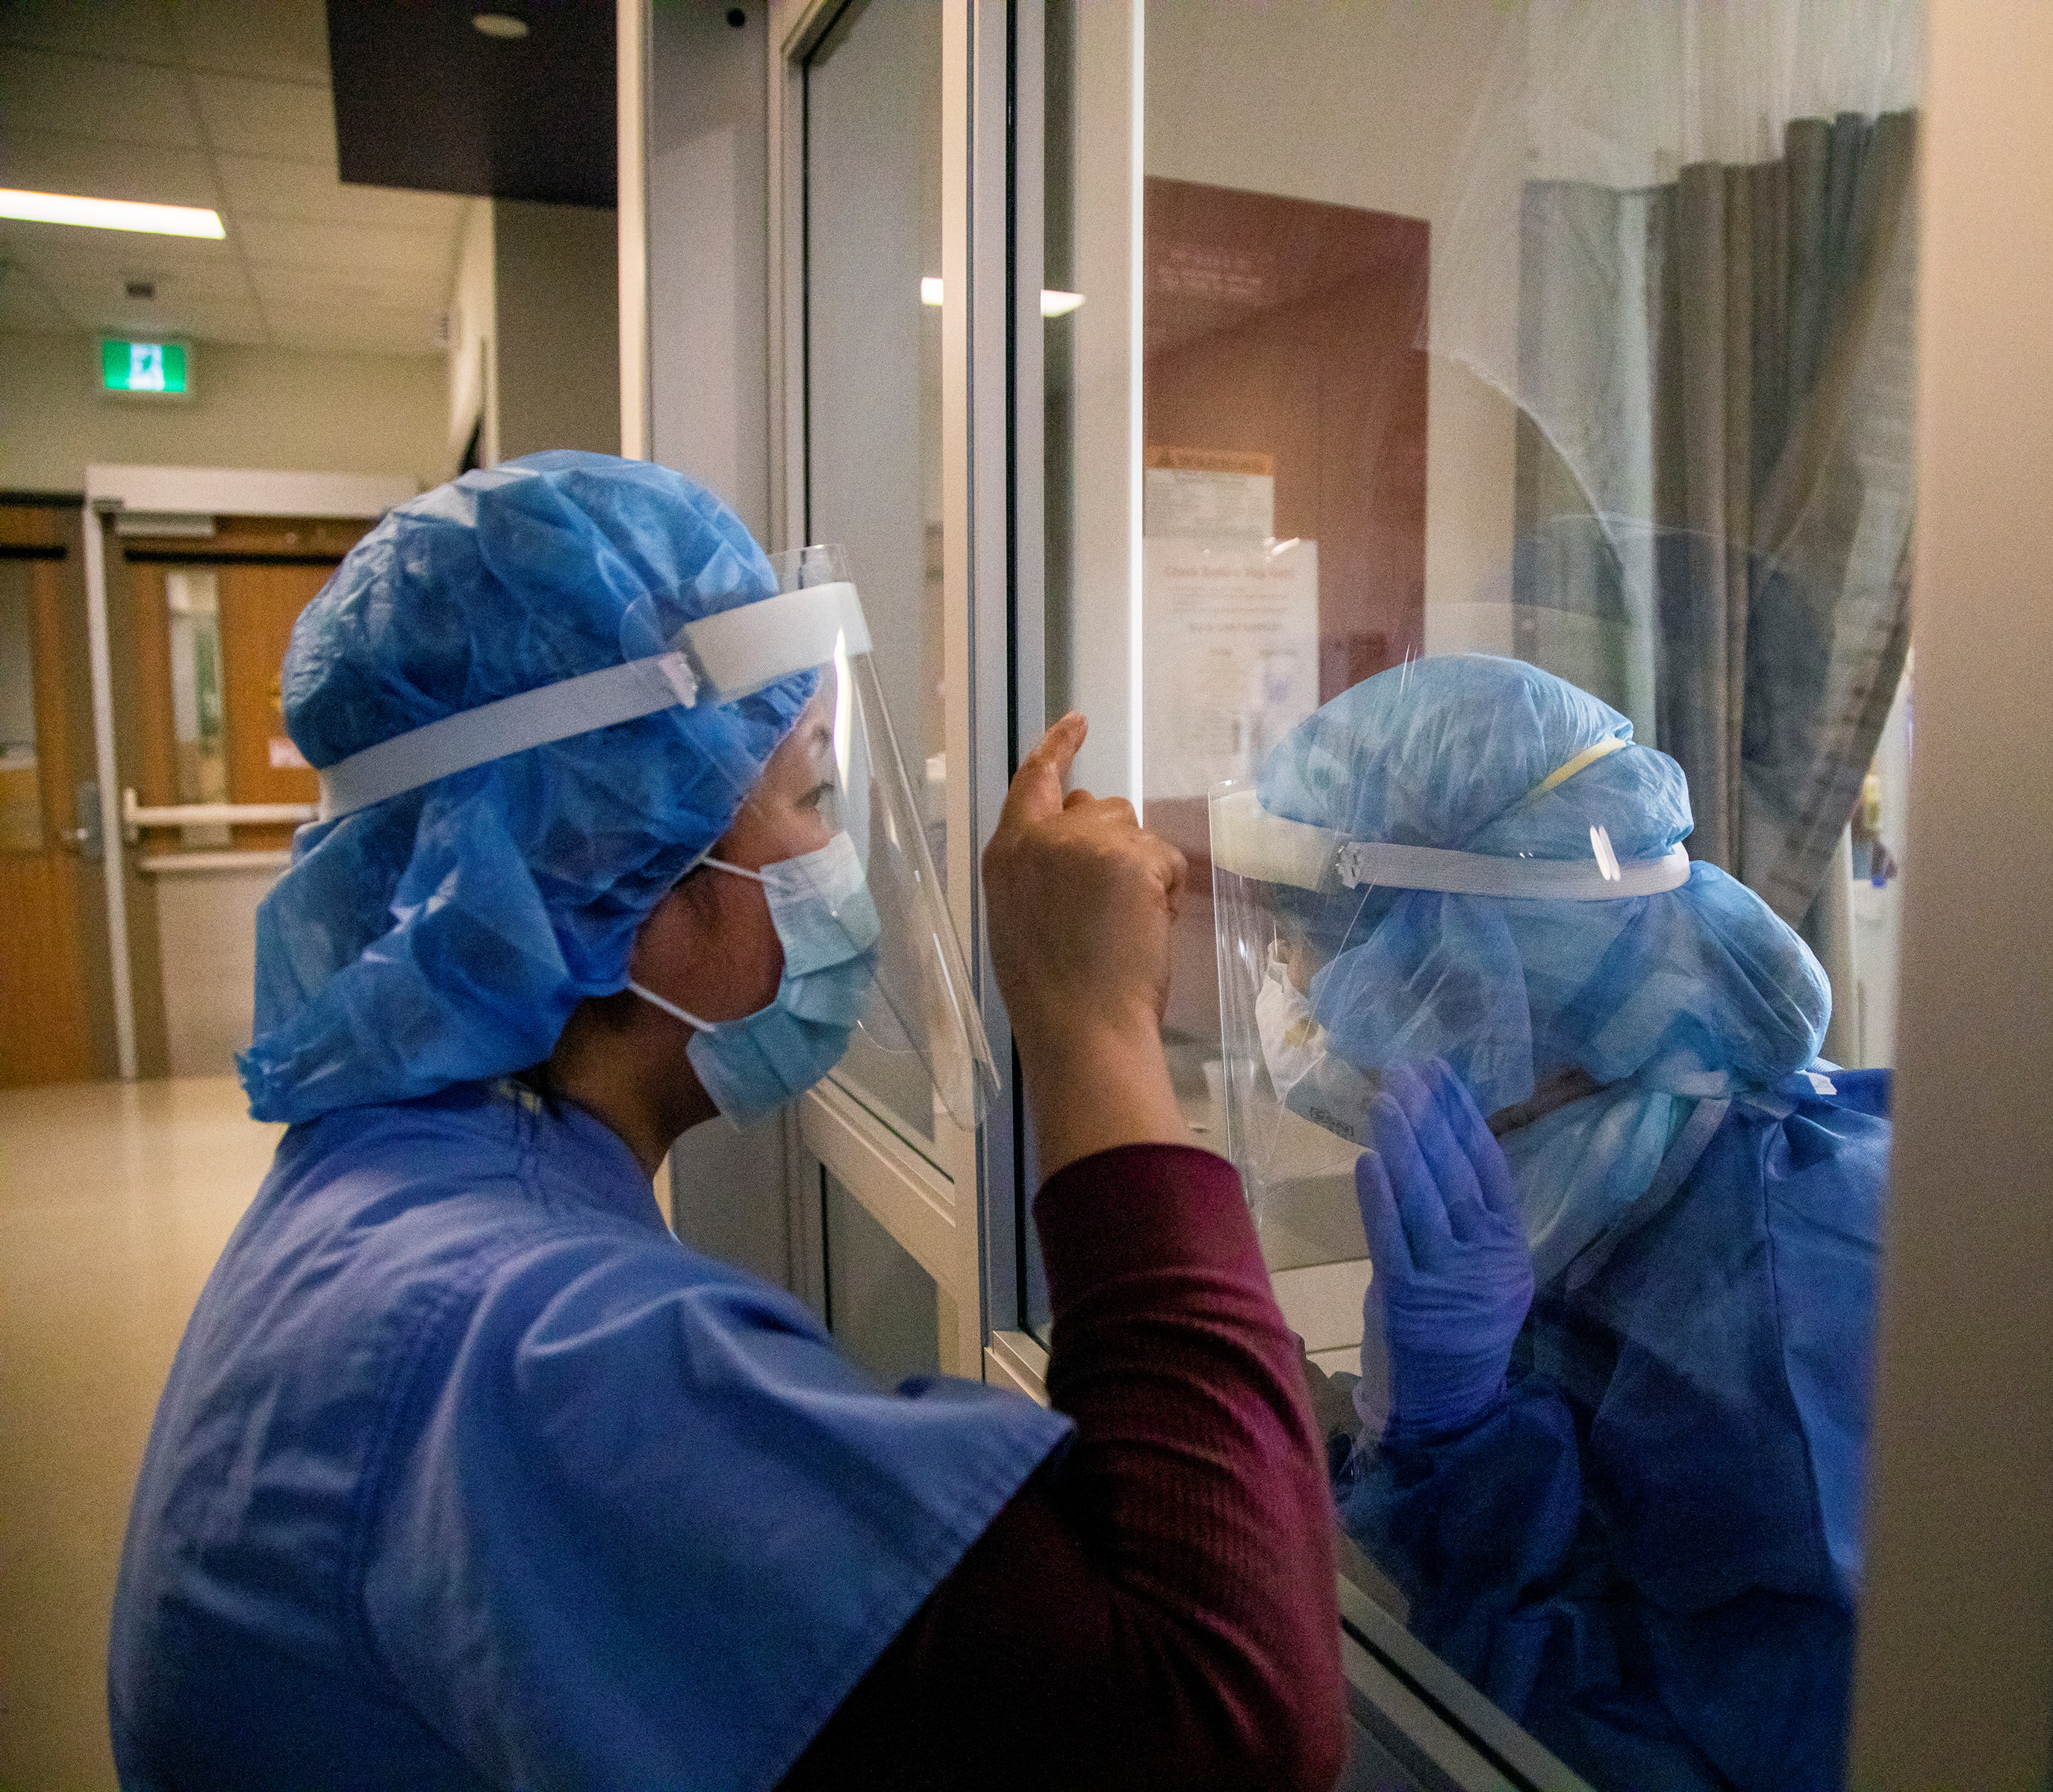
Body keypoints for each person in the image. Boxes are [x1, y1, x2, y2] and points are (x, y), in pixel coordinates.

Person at [108, 452, 1342, 1791]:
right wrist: (1091, 1024)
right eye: (810, 798)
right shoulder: (534, 1345)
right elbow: (1217, 1724)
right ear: (612, 866)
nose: (836, 854)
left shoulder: (397, 1184)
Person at [1210, 656, 1887, 1791]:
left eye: (1315, 943)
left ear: (1480, 970)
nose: (1291, 988)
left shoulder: (1783, 1303)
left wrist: (1459, 1446)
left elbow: (1646, 1761)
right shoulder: (1579, 1185)